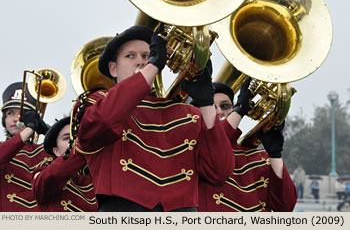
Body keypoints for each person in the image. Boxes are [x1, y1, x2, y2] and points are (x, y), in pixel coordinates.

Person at [73, 24, 234, 212]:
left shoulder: (189, 114)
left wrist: (206, 103)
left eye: (146, 55)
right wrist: (152, 66)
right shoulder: (96, 101)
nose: (140, 62)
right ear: (113, 68)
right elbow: (103, 123)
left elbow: (220, 171)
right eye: (130, 56)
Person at [198, 81, 297, 211]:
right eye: (211, 107)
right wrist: (239, 111)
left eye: (225, 106)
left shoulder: (259, 157)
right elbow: (213, 143)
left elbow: (286, 206)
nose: (218, 112)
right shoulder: (194, 151)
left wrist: (275, 155)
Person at [0, 82, 51, 211]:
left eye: (22, 113)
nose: (15, 119)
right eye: (10, 113)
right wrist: (29, 129)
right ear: (4, 120)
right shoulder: (2, 148)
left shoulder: (45, 150)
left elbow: (75, 155)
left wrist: (49, 132)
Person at [32, 117, 97, 212]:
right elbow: (50, 178)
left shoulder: (98, 173)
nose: (74, 141)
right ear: (56, 151)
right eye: (67, 138)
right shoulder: (43, 171)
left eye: (78, 136)